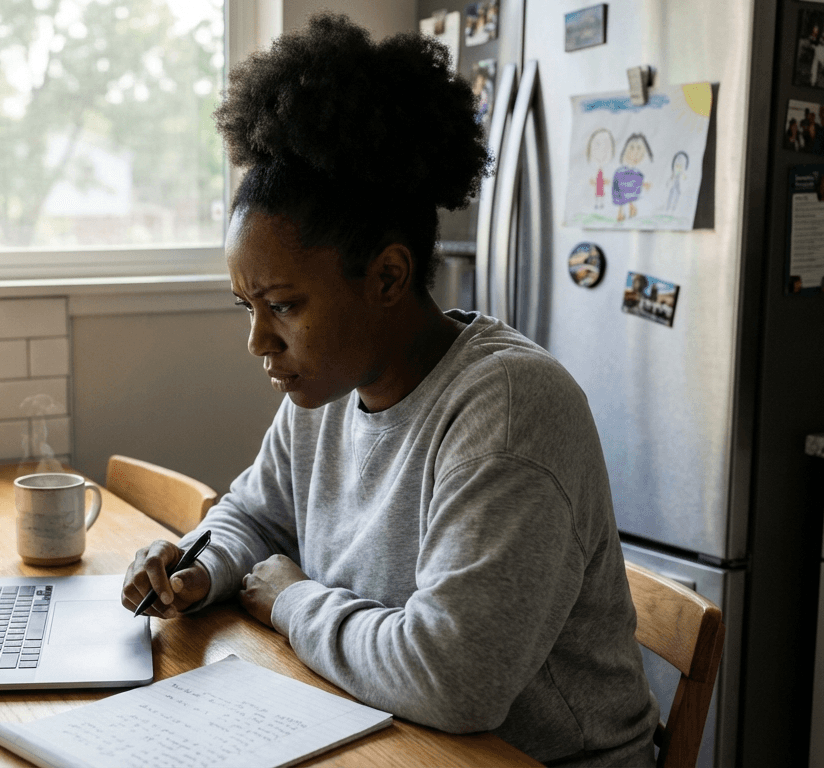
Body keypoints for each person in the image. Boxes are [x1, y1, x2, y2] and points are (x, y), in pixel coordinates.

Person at [121, 14, 658, 767]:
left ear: (388, 277)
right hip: (383, 733)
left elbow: (452, 681)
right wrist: (202, 565)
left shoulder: (508, 413)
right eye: (248, 307)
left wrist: (291, 601)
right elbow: (254, 516)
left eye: (283, 305)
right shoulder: (326, 387)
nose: (258, 342)